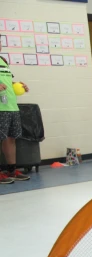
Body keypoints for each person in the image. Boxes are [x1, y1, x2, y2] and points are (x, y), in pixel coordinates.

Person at [0, 46, 30, 184]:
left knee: (11, 139)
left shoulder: (3, 60)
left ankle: (11, 171)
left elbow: (6, 83)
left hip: (11, 106)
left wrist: (17, 85)